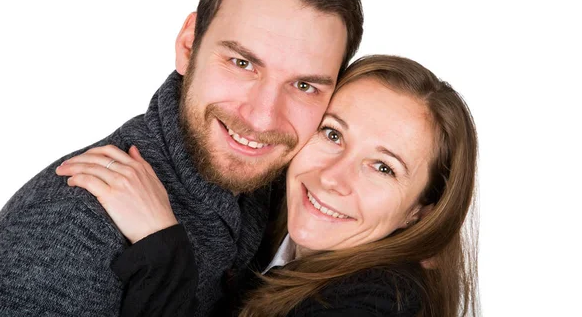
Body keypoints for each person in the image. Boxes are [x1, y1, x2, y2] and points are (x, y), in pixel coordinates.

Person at [0, 0, 363, 316]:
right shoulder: (69, 228)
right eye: (242, 63)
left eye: (303, 86)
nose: (262, 117)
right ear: (188, 45)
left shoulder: (291, 196)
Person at [61, 55, 480, 316]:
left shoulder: (379, 302)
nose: (332, 177)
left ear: (422, 211)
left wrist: (161, 246)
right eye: (332, 134)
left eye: (383, 168)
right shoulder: (264, 228)